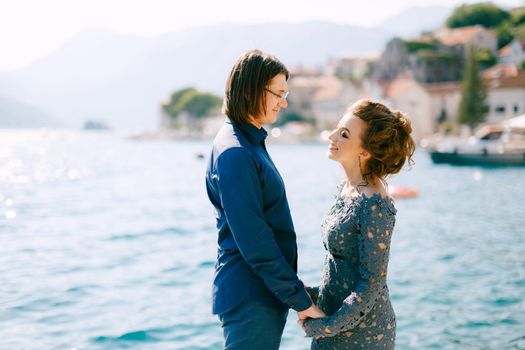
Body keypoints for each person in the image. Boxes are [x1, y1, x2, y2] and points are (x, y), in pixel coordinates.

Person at [205, 49, 325, 350]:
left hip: (261, 291)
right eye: (279, 94)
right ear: (254, 90)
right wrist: (299, 300)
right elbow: (255, 241)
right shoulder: (237, 153)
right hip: (251, 295)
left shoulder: (246, 142)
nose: (284, 103)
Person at [299, 99, 415, 349]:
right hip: (335, 319)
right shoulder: (348, 189)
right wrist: (310, 294)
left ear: (365, 151)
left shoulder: (373, 203)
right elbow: (344, 267)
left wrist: (323, 326)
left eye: (344, 134)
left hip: (364, 335)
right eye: (337, 128)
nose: (332, 136)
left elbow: (371, 285)